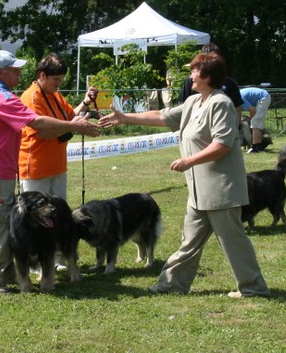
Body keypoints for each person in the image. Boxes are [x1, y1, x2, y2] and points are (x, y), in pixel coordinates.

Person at [99, 52, 269, 298]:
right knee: (189, 241)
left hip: (221, 190)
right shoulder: (193, 102)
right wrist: (124, 117)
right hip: (199, 190)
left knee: (233, 241)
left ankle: (254, 288)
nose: (190, 75)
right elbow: (161, 116)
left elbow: (223, 144)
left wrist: (189, 160)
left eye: (194, 71)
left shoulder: (220, 103)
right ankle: (171, 284)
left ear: (207, 75)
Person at [0, 50, 101, 294]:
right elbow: (37, 124)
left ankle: (8, 274)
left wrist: (74, 120)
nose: (19, 73)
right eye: (14, 69)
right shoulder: (0, 96)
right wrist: (75, 126)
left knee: (6, 223)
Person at [18, 53, 97, 199]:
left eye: (61, 79)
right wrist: (74, 126)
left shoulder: (55, 94)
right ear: (42, 75)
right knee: (37, 218)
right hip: (37, 171)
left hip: (58, 168)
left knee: (60, 216)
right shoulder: (31, 98)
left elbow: (70, 116)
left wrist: (85, 102)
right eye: (55, 79)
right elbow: (43, 133)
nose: (59, 83)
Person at [179, 43, 243, 120]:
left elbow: (237, 109)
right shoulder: (191, 81)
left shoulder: (230, 84)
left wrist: (237, 126)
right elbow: (183, 106)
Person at [239, 86, 271, 153]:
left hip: (263, 98)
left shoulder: (240, 98)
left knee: (255, 123)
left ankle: (254, 148)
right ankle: (259, 147)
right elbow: (238, 112)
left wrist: (250, 121)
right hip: (264, 97)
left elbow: (252, 110)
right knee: (257, 124)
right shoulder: (236, 98)